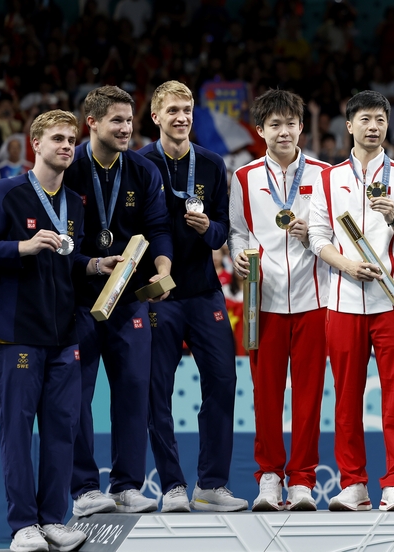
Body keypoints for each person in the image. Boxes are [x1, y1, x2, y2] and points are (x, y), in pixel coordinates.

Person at [0, 110, 117, 552]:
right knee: (16, 432)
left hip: (64, 337)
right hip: (18, 335)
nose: (67, 146)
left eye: (71, 139)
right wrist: (21, 247)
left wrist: (94, 264)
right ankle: (22, 525)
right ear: (36, 144)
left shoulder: (74, 203)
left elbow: (68, 260)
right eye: (57, 139)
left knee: (61, 432)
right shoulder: (5, 192)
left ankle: (51, 519)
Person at [308, 90, 394, 511]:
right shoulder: (328, 178)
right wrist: (346, 265)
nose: (373, 127)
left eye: (380, 119)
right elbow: (317, 237)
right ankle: (354, 484)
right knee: (346, 399)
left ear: (387, 125)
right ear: (349, 125)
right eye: (365, 119)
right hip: (343, 303)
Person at [140, 80, 247, 513]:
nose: (182, 117)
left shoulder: (212, 163)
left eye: (186, 110)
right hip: (158, 296)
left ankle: (211, 485)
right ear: (156, 117)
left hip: (204, 292)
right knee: (157, 391)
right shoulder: (140, 163)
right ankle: (171, 486)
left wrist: (209, 230)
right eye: (173, 110)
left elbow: (223, 230)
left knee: (223, 382)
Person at [67, 85, 173, 516]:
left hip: (128, 300)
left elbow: (158, 227)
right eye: (117, 120)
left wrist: (163, 267)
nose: (127, 128)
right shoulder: (69, 166)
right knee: (77, 396)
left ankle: (127, 485)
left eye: (129, 120)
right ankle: (83, 489)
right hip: (77, 300)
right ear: (91, 122)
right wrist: (91, 264)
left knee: (133, 390)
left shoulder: (143, 170)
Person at [229, 89, 330, 511]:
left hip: (315, 298)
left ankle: (303, 480)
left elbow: (337, 232)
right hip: (263, 302)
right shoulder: (244, 177)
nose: (283, 131)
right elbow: (237, 232)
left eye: (290, 123)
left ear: (301, 127)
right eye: (275, 125)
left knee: (309, 396)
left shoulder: (325, 174)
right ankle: (269, 477)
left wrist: (314, 236)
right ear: (260, 130)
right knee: (266, 394)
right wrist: (238, 255)